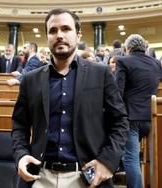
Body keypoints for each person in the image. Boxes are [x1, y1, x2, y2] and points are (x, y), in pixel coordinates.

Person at [11, 8, 129, 188]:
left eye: (66, 29)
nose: (59, 35)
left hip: (87, 177)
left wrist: (108, 162)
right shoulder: (30, 79)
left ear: (78, 35)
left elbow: (120, 121)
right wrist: (20, 154)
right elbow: (19, 125)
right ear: (47, 37)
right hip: (39, 177)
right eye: (53, 30)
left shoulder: (101, 74)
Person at [115, 34, 162, 188]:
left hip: (130, 118)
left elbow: (118, 93)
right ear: (145, 47)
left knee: (130, 158)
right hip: (152, 117)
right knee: (152, 157)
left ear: (128, 48)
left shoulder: (123, 61)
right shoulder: (156, 63)